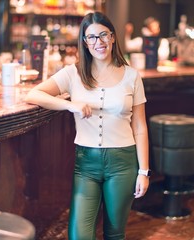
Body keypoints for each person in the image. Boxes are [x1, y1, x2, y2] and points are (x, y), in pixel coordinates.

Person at [25, 11, 149, 240]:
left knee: (115, 233)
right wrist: (70, 105)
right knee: (79, 234)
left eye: (103, 35)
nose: (98, 42)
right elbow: (33, 94)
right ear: (84, 41)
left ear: (112, 37)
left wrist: (143, 172)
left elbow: (140, 127)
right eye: (91, 37)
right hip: (86, 165)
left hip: (123, 162)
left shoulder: (132, 76)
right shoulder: (73, 74)